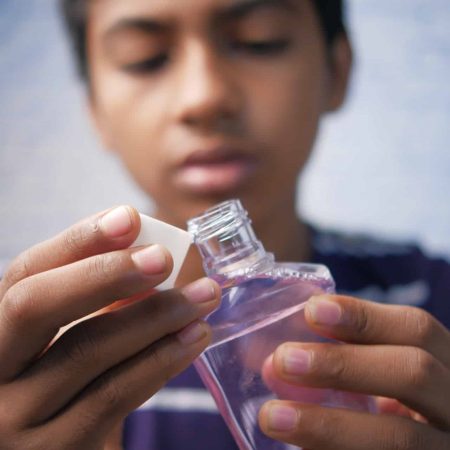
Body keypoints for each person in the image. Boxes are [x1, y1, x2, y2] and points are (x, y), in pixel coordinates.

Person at [0, 0, 449, 449]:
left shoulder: (431, 303)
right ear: (94, 109)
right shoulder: (37, 361)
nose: (204, 98)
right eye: (145, 58)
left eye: (259, 41)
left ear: (337, 70)